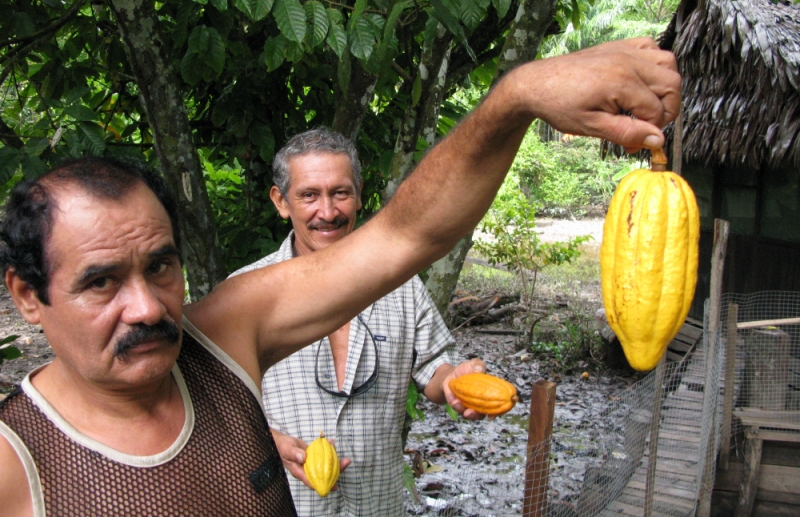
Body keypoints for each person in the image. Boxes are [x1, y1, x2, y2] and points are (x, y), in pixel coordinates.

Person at [0, 38, 680, 516]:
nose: (147, 306)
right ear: (28, 296)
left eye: (161, 266)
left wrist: (517, 96)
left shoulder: (225, 336)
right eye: (100, 283)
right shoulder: (17, 463)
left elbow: (409, 234)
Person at [229, 129, 490, 515]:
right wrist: (265, 440)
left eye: (340, 192)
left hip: (378, 505)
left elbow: (435, 367)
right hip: (283, 506)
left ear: (359, 193)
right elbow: (209, 410)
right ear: (280, 201)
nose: (328, 212)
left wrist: (454, 381)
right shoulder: (244, 295)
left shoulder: (399, 286)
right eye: (309, 195)